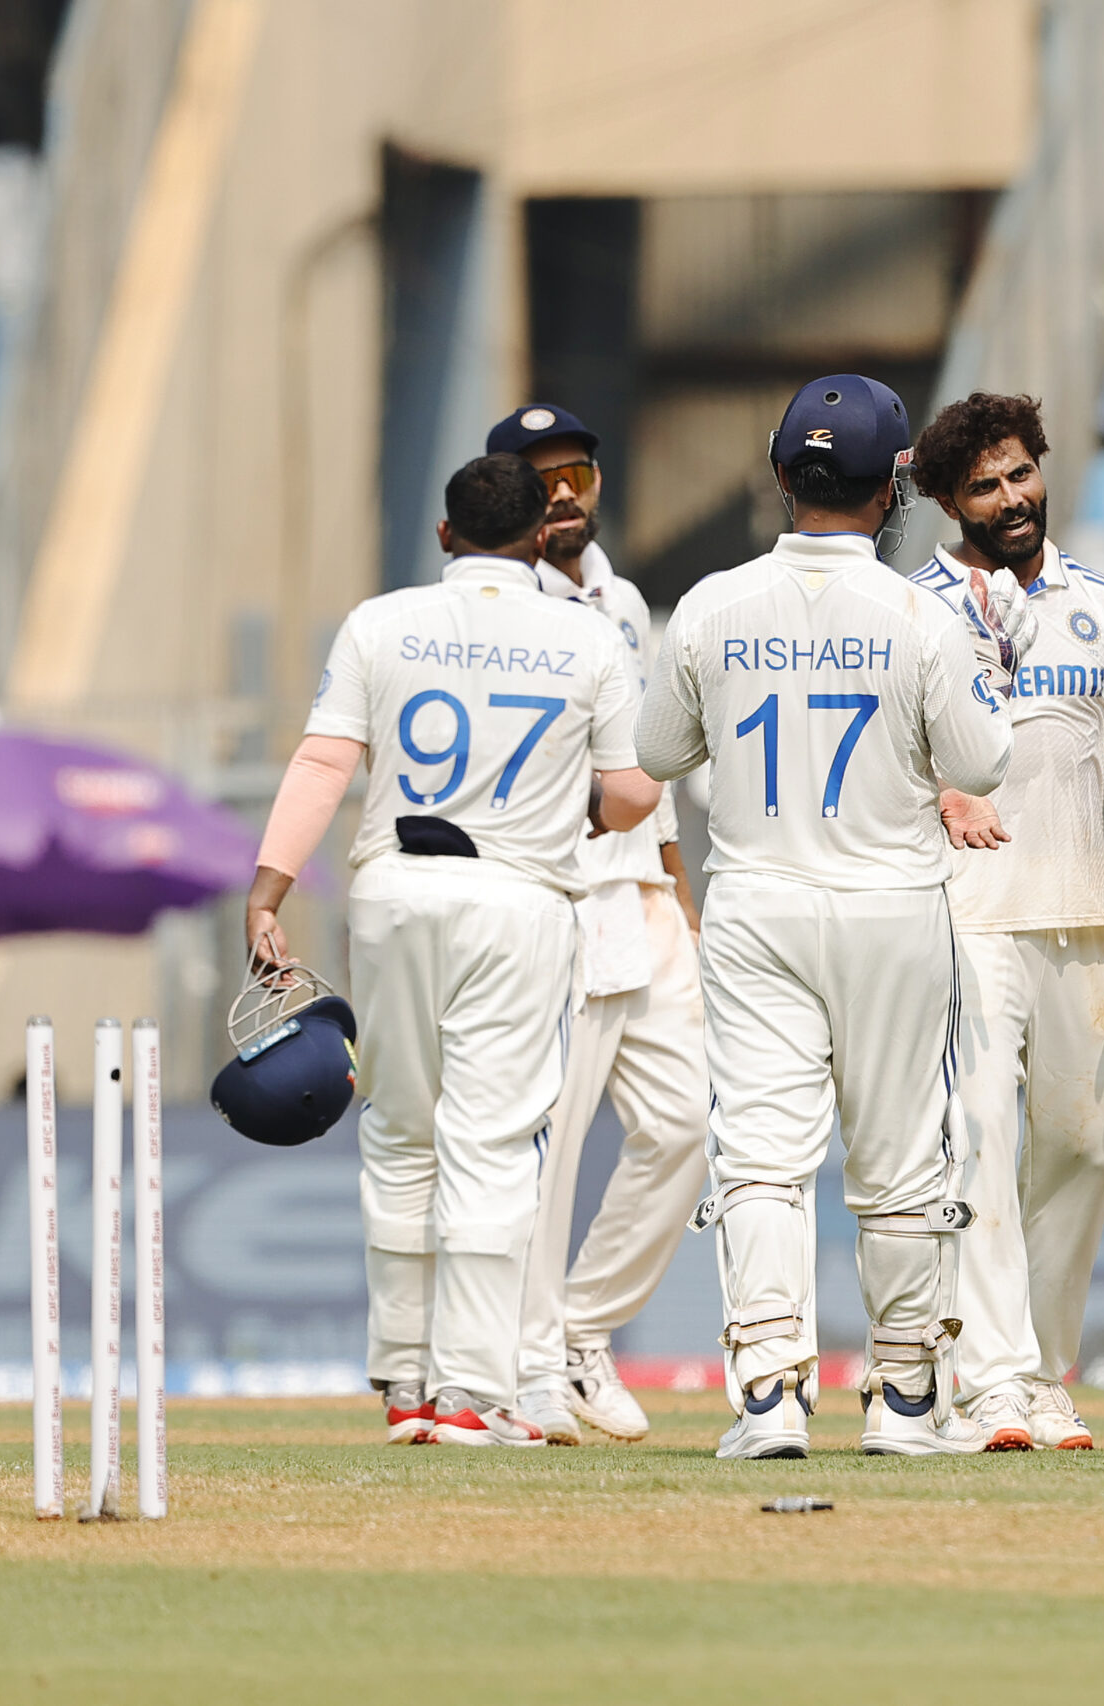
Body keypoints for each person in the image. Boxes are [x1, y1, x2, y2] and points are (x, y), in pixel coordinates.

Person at [634, 374, 1017, 1460]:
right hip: (891, 902)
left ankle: (766, 1396)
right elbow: (985, 760)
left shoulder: (711, 603)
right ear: (897, 481)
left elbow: (659, 752)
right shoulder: (920, 612)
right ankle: (902, 1400)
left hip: (759, 902)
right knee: (899, 1158)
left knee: (760, 1155)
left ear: (777, 471)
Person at [243, 454, 659, 1449]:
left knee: (397, 1133)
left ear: (444, 536)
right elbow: (632, 791)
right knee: (492, 1142)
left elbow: (322, 762)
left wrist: (268, 890)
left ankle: (406, 1383)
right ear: (538, 539)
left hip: (392, 892)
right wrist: (590, 808)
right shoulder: (585, 633)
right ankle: (475, 1390)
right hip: (515, 899)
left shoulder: (379, 622)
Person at [903, 393, 1104, 1453]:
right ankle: (990, 1381)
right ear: (945, 499)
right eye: (985, 484)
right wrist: (939, 793)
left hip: (1079, 910)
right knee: (977, 1143)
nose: (1013, 497)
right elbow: (890, 755)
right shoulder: (913, 609)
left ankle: (1041, 1369)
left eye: (1022, 472)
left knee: (1079, 1145)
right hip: (966, 915)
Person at [484, 405, 710, 1449]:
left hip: (643, 894)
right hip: (558, 899)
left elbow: (649, 758)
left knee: (682, 1125)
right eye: (539, 476)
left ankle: (577, 1331)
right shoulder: (499, 607)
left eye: (575, 468)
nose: (562, 490)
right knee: (553, 1143)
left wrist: (674, 875)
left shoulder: (622, 597)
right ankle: (527, 1366)